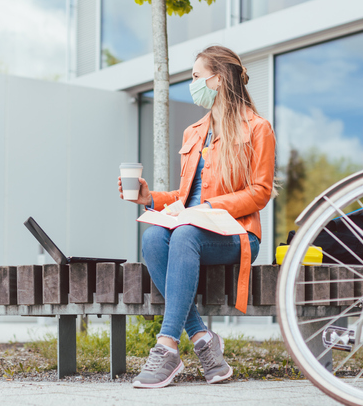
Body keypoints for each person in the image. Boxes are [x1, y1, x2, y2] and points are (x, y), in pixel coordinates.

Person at [118, 45, 275, 388]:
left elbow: (260, 192)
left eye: (196, 76)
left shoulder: (258, 128)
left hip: (238, 234)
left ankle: (167, 345)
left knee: (186, 233)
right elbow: (186, 196)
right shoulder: (194, 132)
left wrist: (210, 209)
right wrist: (151, 198)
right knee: (153, 236)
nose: (192, 84)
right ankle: (203, 340)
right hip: (195, 227)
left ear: (217, 80)